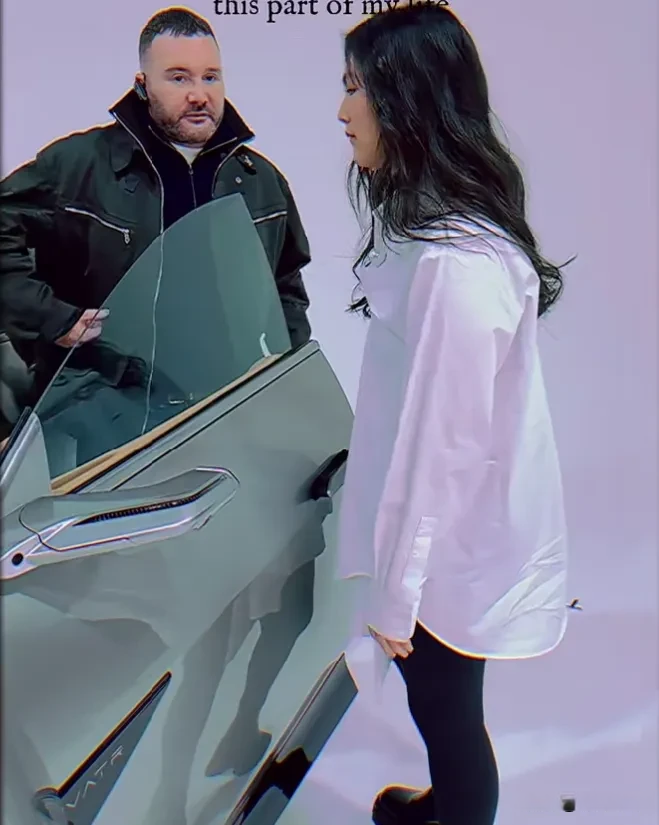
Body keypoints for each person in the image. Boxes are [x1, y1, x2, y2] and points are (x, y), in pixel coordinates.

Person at [335, 5, 571, 825]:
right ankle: (446, 803)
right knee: (443, 702)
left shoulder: (454, 263)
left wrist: (396, 590)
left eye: (355, 88)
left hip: (444, 538)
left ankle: (457, 812)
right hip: (446, 528)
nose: (342, 110)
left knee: (444, 709)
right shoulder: (444, 237)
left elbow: (442, 443)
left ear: (405, 102)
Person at [0, 6, 311, 401]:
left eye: (210, 77)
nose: (199, 95)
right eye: (179, 78)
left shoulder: (260, 181)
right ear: (143, 85)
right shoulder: (80, 165)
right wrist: (50, 318)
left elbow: (287, 287)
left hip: (223, 403)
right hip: (101, 399)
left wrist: (283, 370)